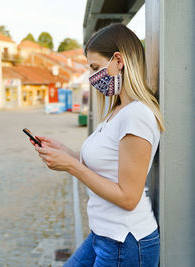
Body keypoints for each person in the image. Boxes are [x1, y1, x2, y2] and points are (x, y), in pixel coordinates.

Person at [30, 23, 166, 266]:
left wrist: (71, 166)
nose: (93, 77)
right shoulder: (117, 111)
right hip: (104, 235)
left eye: (95, 67)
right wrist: (66, 152)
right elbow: (107, 166)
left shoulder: (137, 115)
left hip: (125, 241)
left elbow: (128, 198)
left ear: (118, 60)